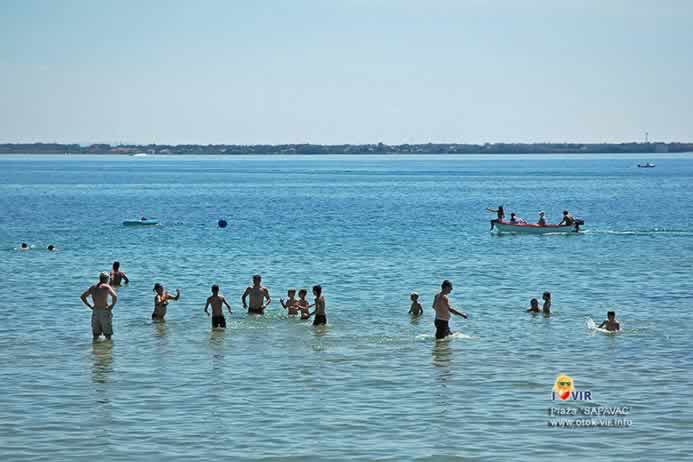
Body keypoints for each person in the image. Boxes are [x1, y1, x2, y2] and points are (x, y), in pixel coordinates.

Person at [80, 272, 118, 340]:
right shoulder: (106, 287)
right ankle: (107, 349)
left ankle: (96, 349)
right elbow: (115, 296)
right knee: (108, 335)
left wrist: (90, 306)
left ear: (100, 278)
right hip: (104, 311)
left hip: (95, 311)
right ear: (107, 279)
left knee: (95, 335)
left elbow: (82, 297)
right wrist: (112, 306)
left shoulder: (93, 287)